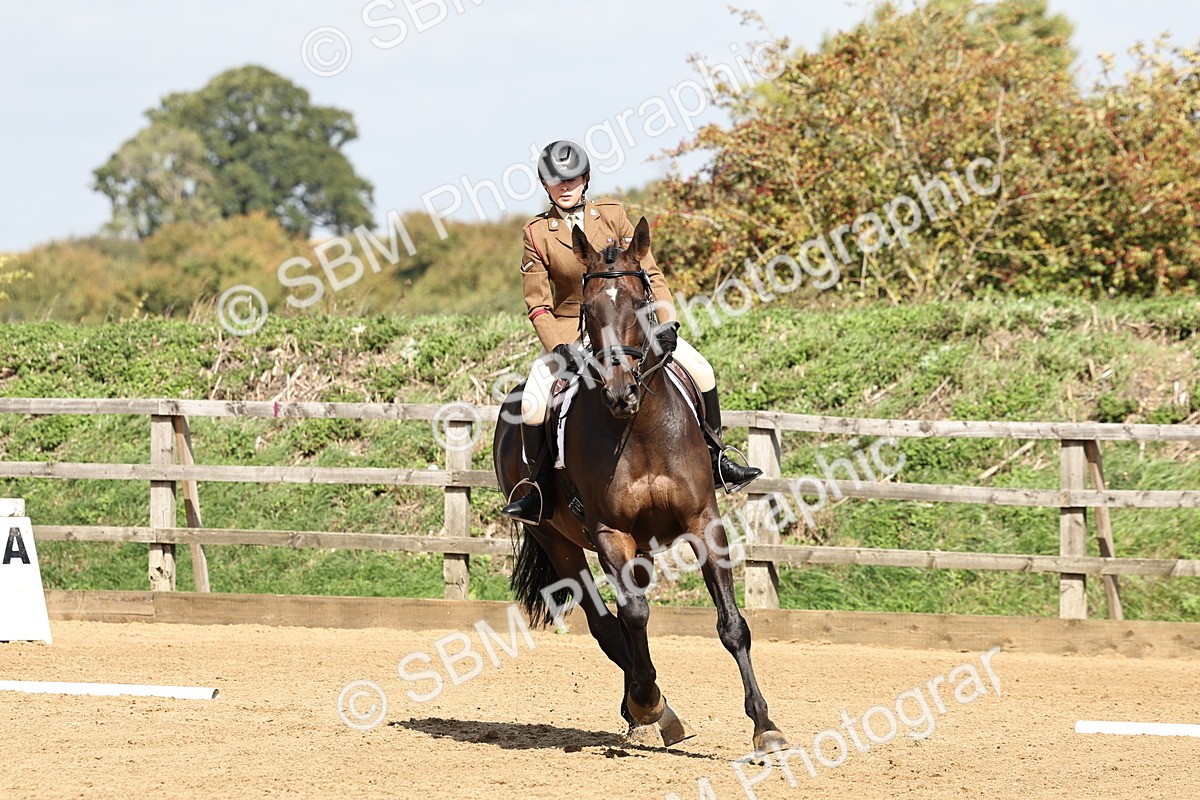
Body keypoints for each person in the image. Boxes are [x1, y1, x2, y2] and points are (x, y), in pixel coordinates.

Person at [500, 139, 762, 525]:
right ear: (545, 185)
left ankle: (718, 458)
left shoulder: (612, 215)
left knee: (702, 369)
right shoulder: (537, 233)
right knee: (533, 403)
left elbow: (649, 271)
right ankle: (539, 492)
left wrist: (668, 320)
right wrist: (559, 346)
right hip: (573, 328)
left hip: (630, 324)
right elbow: (538, 302)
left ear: (585, 179)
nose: (566, 186)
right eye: (557, 181)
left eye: (572, 179)